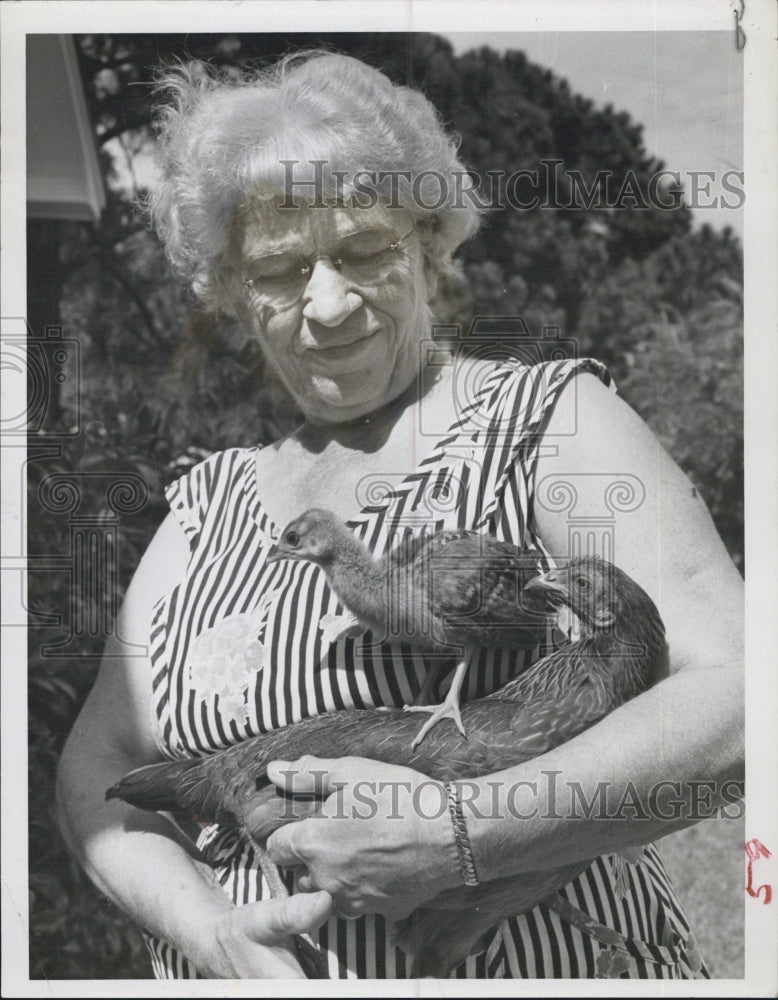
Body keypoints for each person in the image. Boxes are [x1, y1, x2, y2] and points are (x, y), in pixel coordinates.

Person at [56, 52, 744, 980]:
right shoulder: (205, 503)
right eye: (280, 269)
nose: (329, 302)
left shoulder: (546, 422)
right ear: (232, 292)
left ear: (428, 245)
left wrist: (464, 835)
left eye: (364, 251)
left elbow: (740, 696)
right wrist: (213, 935)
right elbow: (95, 773)